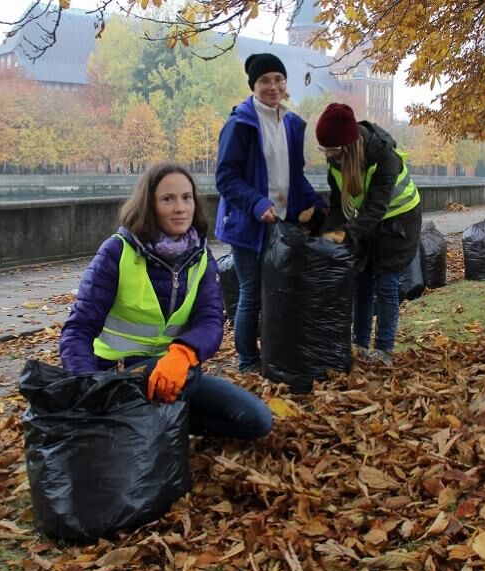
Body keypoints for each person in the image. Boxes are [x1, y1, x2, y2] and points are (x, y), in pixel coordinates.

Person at [59, 162, 272, 440]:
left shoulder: (201, 257)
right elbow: (78, 330)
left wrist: (182, 355)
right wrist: (88, 385)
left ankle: (157, 423)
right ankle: (140, 422)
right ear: (149, 205)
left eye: (186, 197)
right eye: (168, 199)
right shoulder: (117, 252)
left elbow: (210, 322)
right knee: (151, 388)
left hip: (174, 374)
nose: (180, 208)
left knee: (256, 421)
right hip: (118, 376)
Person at [215, 52, 327, 373]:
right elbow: (226, 178)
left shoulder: (292, 124)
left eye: (278, 79)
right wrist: (257, 203)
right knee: (251, 292)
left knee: (280, 291)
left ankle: (277, 353)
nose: (273, 86)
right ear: (254, 86)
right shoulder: (240, 124)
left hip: (283, 224)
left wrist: (317, 207)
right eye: (265, 81)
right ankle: (247, 360)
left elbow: (295, 177)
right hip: (247, 225)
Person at [315, 103, 422, 367]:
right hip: (366, 222)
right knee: (361, 283)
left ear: (349, 146)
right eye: (324, 149)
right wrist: (329, 234)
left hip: (398, 222)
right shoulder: (335, 161)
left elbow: (376, 207)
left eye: (332, 149)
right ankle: (359, 345)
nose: (328, 155)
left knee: (386, 285)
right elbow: (338, 205)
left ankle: (384, 350)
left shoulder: (384, 158)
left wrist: (347, 234)